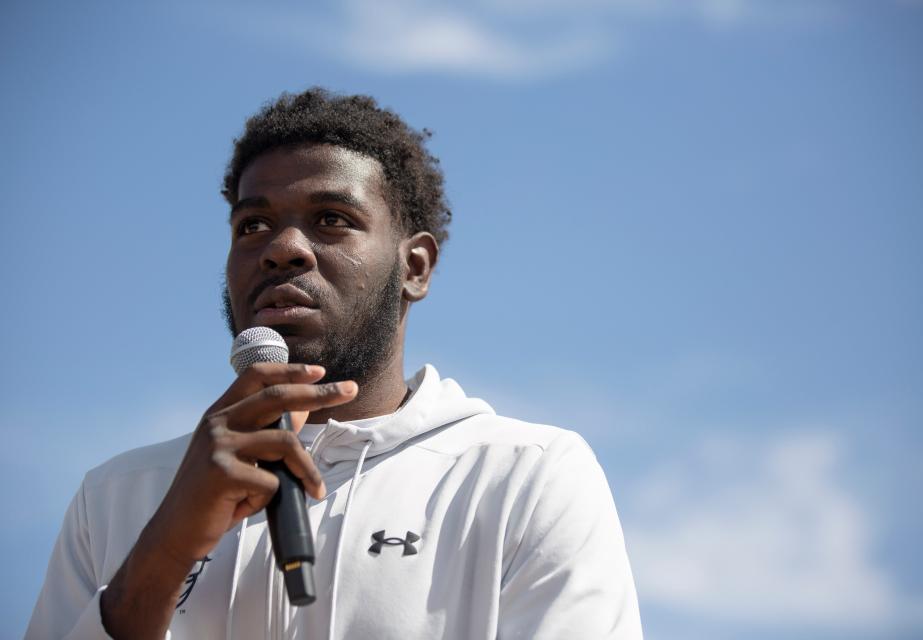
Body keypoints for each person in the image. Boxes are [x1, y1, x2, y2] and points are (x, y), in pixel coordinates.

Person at [27, 88, 643, 639]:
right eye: (253, 224)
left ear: (416, 266)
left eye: (332, 220)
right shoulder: (116, 496)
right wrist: (163, 550)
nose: (282, 250)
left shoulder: (520, 477)